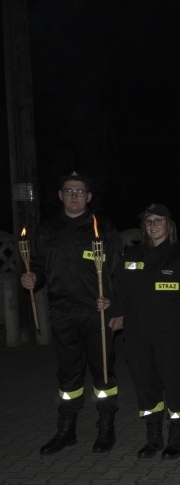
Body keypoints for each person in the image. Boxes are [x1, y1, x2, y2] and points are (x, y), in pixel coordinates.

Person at [20, 171, 123, 455]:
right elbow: (38, 264)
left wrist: (114, 304)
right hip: (62, 311)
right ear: (60, 195)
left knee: (103, 373)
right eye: (69, 191)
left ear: (89, 197)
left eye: (80, 191)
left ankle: (106, 427)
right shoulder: (47, 228)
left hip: (96, 312)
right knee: (68, 376)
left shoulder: (102, 228)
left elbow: (117, 270)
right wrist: (33, 279)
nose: (74, 196)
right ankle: (66, 430)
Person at [110, 203, 180, 459]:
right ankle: (153, 438)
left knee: (174, 386)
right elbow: (118, 290)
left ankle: (176, 437)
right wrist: (115, 311)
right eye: (148, 221)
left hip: (171, 337)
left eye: (158, 220)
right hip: (138, 336)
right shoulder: (131, 256)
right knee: (145, 387)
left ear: (168, 225)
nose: (153, 225)